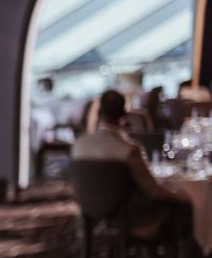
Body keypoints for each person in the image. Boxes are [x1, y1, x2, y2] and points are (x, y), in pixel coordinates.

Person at [71, 88, 190, 238]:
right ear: (125, 116)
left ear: (99, 113)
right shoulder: (129, 150)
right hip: (130, 218)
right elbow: (153, 191)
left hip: (92, 212)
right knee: (183, 212)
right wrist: (183, 195)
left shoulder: (78, 146)